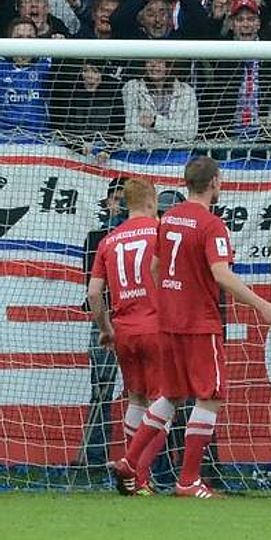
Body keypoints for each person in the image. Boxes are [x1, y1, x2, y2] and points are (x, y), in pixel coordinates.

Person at [118, 156, 271, 498]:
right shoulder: (212, 225)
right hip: (199, 323)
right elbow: (221, 274)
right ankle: (188, 480)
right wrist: (263, 306)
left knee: (171, 395)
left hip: (167, 322)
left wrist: (170, 301)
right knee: (210, 397)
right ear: (214, 183)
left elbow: (155, 268)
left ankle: (129, 461)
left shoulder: (168, 219)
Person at [86, 177, 164, 495]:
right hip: (157, 326)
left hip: (124, 331)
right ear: (150, 201)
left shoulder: (109, 240)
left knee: (137, 399)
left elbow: (94, 293)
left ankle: (136, 479)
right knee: (164, 403)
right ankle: (137, 472)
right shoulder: (160, 232)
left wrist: (106, 329)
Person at [77, 176, 127, 468]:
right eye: (117, 200)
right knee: (101, 390)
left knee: (147, 391)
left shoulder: (148, 235)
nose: (121, 206)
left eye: (126, 200)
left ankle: (146, 460)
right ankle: (95, 458)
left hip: (138, 319)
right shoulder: (96, 237)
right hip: (105, 319)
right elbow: (92, 285)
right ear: (108, 202)